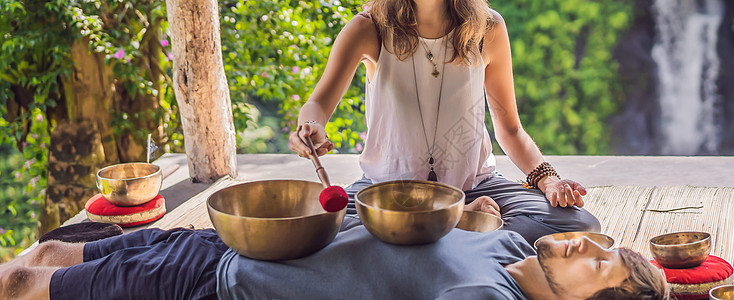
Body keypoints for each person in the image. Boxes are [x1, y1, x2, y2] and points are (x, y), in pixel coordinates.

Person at [288, 0, 601, 245]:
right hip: (389, 194)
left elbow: (510, 128)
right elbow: (317, 104)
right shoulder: (369, 27)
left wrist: (547, 180)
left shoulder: (487, 27)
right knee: (325, 228)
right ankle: (463, 230)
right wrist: (310, 126)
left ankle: (430, 238)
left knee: (579, 225)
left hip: (475, 188)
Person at [1, 221, 667, 299]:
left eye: (600, 266)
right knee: (56, 247)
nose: (590, 247)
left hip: (216, 282)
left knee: (24, 282)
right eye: (607, 248)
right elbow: (478, 217)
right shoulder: (511, 244)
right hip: (239, 232)